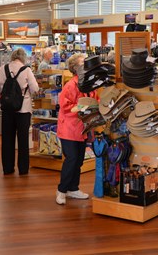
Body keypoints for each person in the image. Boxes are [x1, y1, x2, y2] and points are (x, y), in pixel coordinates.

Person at [56, 53, 98, 205]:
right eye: (82, 64)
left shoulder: (88, 83)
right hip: (69, 128)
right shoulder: (70, 85)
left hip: (83, 127)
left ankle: (73, 188)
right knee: (72, 159)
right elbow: (65, 106)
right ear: (75, 68)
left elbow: (95, 98)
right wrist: (83, 107)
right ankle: (61, 190)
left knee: (79, 159)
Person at [0, 48, 39, 176]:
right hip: (23, 108)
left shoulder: (2, 69)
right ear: (23, 57)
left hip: (7, 109)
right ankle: (23, 169)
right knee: (23, 139)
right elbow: (35, 88)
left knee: (7, 139)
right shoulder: (26, 70)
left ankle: (8, 168)